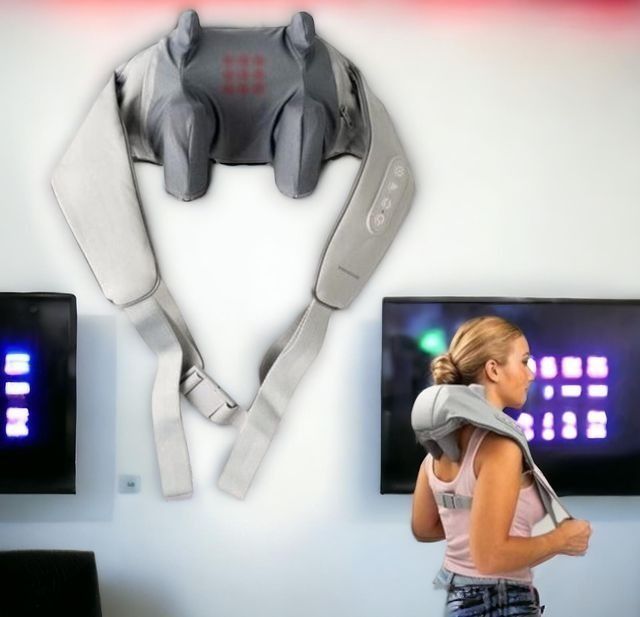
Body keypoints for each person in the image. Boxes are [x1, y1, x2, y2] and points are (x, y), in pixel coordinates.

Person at [411, 315, 592, 616]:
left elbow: (423, 527)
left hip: (460, 600)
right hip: (501, 602)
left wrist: (481, 521)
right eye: (524, 361)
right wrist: (561, 540)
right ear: (493, 369)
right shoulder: (500, 448)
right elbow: (490, 558)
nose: (530, 374)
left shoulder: (437, 451)